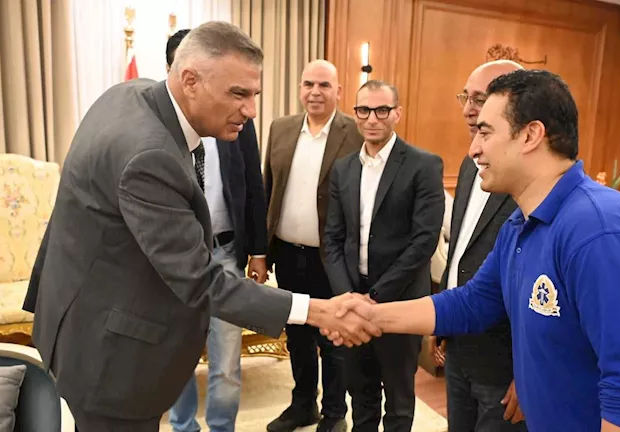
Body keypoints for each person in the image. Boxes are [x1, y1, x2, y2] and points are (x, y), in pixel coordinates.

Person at [23, 22, 378, 432]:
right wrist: (318, 310)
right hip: (109, 360)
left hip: (82, 317)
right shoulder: (148, 155)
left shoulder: (128, 95)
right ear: (190, 80)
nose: (251, 110)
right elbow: (200, 280)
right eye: (238, 94)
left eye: (254, 94)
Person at [327, 69, 620, 432]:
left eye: (485, 133)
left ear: (530, 135)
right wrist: (371, 316)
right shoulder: (520, 223)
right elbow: (472, 303)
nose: (474, 149)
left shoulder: (602, 231)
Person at [163, 29, 268, 432]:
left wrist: (258, 250)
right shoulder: (159, 128)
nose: (248, 107)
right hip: (176, 261)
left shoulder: (236, 120)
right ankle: (183, 427)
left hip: (225, 253)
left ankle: (223, 427)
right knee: (178, 357)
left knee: (226, 361)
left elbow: (253, 185)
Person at [324, 79, 444, 431]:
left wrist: (374, 298)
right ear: (355, 114)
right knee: (360, 394)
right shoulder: (344, 168)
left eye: (382, 110)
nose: (372, 118)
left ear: (397, 113)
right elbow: (332, 238)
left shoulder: (423, 165)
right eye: (364, 110)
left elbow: (423, 242)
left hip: (401, 300)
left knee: (399, 399)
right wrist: (348, 297)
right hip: (352, 301)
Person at [262, 59, 363, 432]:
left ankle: (335, 413)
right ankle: (303, 405)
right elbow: (268, 189)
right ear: (300, 88)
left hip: (332, 259)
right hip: (288, 254)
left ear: (339, 91)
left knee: (333, 337)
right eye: (309, 84)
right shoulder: (281, 128)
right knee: (298, 335)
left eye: (324, 85)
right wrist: (261, 251)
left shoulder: (354, 133)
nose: (315, 92)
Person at [431, 60, 526, 432]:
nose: (469, 109)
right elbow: (460, 251)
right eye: (465, 98)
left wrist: (527, 372)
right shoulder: (470, 164)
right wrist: (442, 318)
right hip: (460, 342)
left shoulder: (529, 178)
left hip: (504, 358)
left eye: (481, 99)